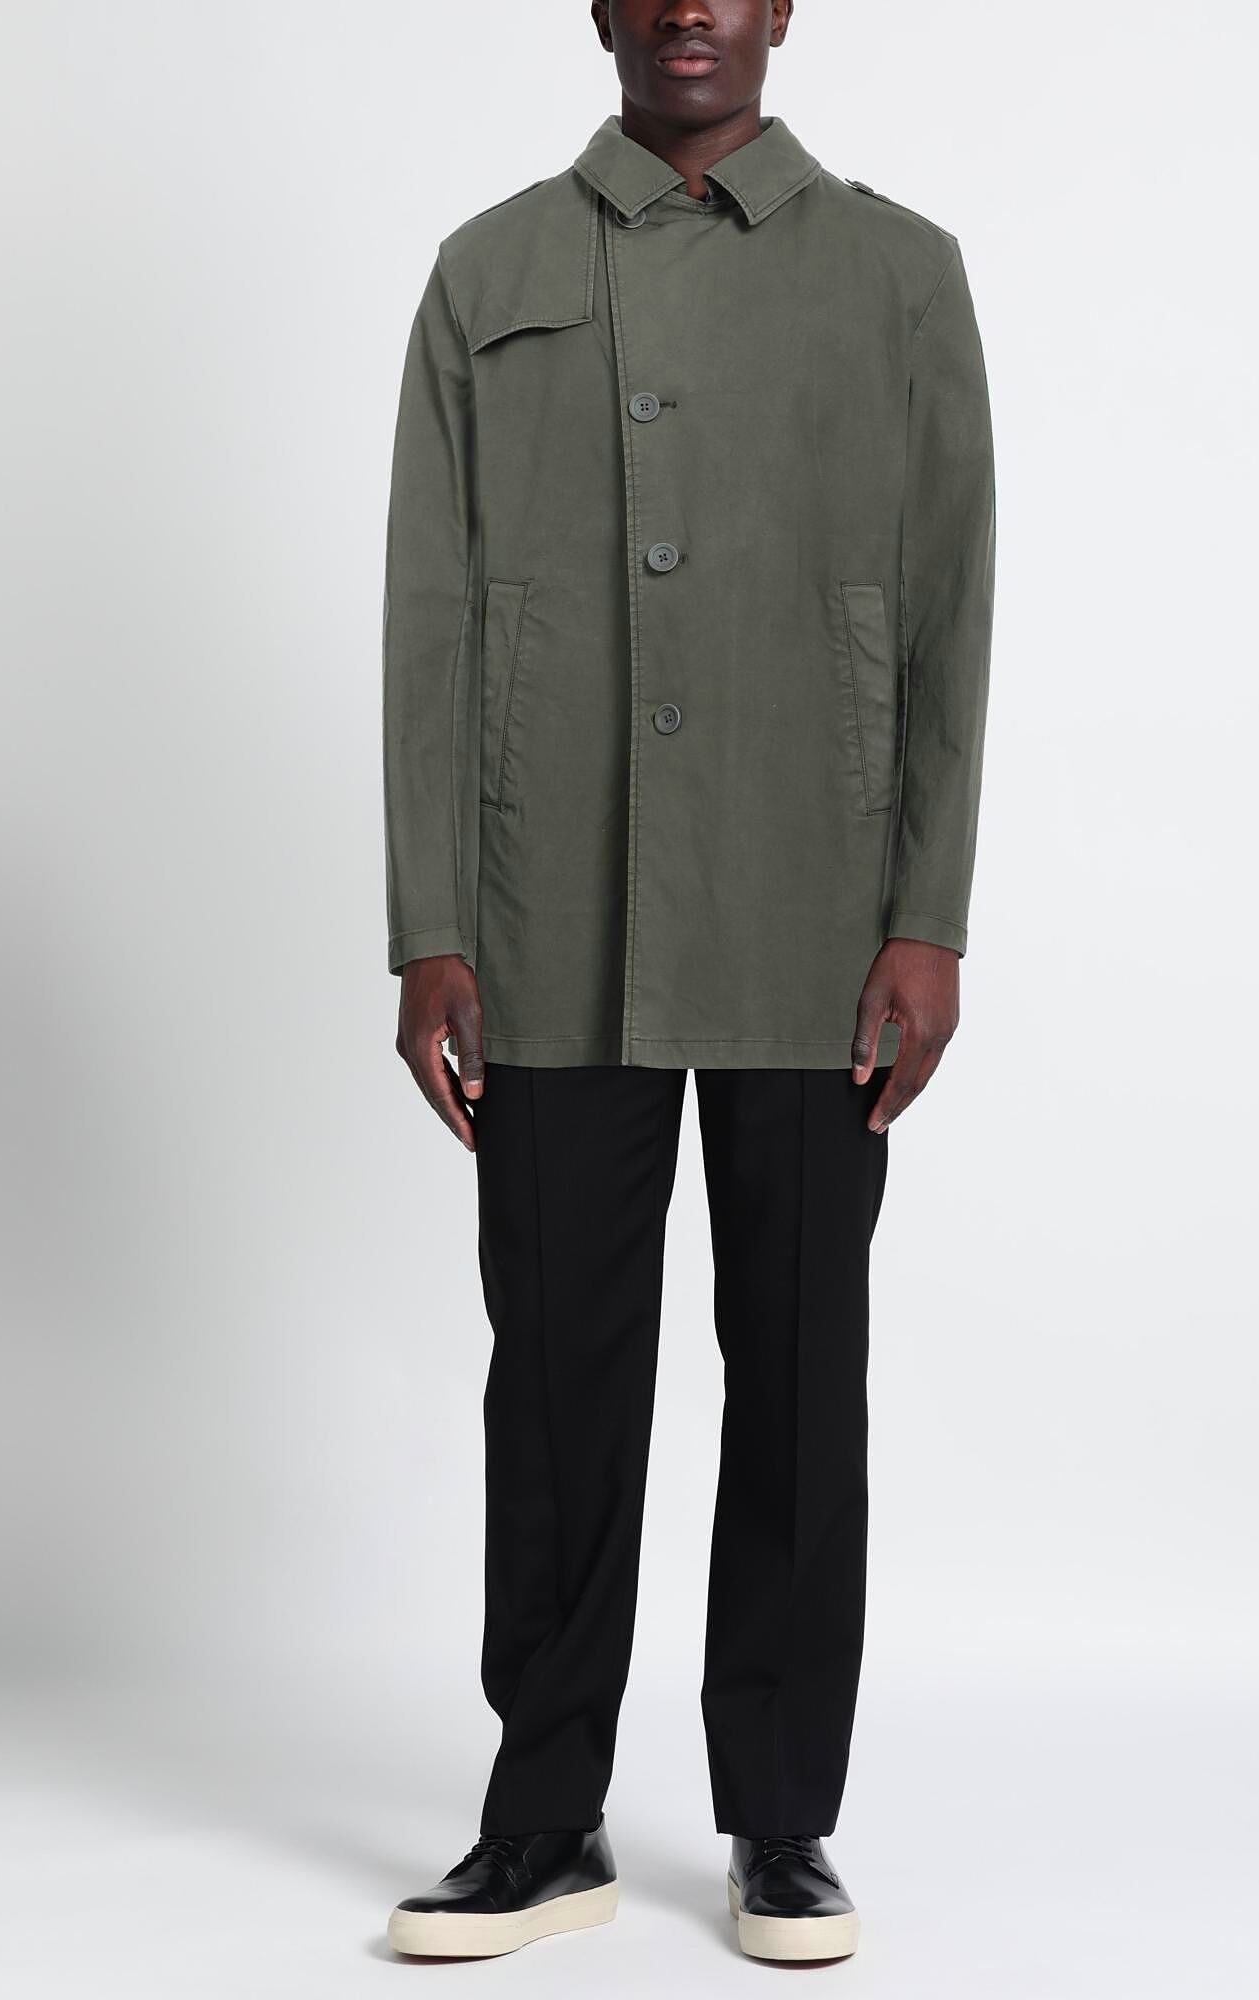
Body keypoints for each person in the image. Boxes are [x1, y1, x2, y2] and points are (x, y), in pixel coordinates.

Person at [380, 0, 994, 1965]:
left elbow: (952, 601)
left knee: (800, 1374)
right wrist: (430, 918)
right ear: (599, 7)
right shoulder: (491, 270)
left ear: (783, 6)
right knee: (559, 1383)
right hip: (545, 907)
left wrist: (928, 913)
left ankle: (783, 1821)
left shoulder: (899, 274)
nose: (688, 9)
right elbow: (430, 615)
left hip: (816, 909)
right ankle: (543, 1816)